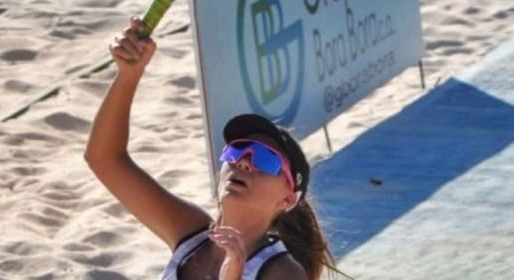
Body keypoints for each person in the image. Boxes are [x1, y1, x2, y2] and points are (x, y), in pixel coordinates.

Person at [85, 17, 341, 280]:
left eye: (265, 159)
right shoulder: (191, 233)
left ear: (287, 200)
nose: (243, 162)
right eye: (237, 151)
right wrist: (129, 75)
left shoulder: (283, 273)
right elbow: (104, 158)